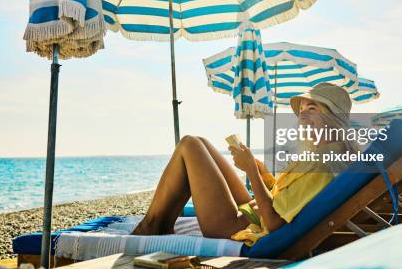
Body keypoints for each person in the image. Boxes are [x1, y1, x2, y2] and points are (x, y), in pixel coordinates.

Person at [131, 83, 353, 246]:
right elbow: (289, 197)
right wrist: (262, 173)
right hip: (254, 212)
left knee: (190, 145)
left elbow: (275, 224)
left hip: (237, 226)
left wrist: (251, 173)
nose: (302, 114)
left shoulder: (321, 164)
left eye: (312, 108)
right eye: (302, 109)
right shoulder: (325, 155)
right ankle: (160, 224)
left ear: (333, 117)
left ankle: (150, 226)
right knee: (201, 144)